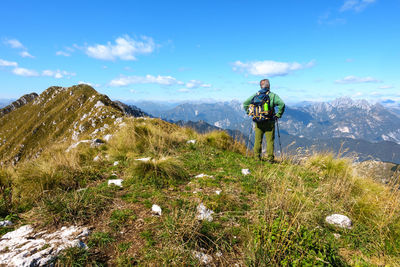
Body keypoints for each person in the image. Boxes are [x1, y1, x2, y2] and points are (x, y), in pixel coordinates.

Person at [243, 79, 285, 162]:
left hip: (258, 121)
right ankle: (270, 159)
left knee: (257, 140)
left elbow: (245, 104)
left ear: (260, 86)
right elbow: (282, 104)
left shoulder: (256, 95)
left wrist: (250, 113)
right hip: (269, 121)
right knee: (270, 141)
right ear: (268, 86)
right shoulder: (273, 96)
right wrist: (278, 115)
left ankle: (256, 158)